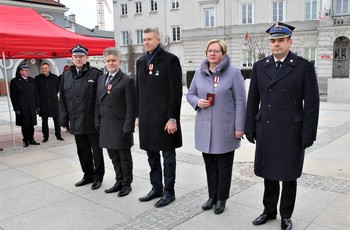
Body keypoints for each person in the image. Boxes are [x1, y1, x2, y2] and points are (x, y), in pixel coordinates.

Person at [245, 22, 320, 230]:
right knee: (268, 173)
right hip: (266, 129)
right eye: (273, 41)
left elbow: (312, 104)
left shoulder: (303, 67)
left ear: (289, 42)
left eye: (280, 41)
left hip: (291, 131)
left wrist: (308, 132)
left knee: (288, 175)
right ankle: (269, 211)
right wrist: (250, 126)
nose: (276, 44)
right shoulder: (260, 67)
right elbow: (253, 100)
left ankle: (286, 214)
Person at [187, 39, 246, 214]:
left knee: (224, 166)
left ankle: (221, 199)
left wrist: (239, 127)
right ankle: (212, 196)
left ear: (223, 53)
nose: (212, 54)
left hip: (225, 129)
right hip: (205, 128)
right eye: (210, 51)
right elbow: (190, 94)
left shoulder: (234, 73)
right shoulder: (199, 73)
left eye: (217, 51)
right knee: (210, 166)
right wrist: (197, 101)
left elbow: (241, 102)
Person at [136, 28, 183, 207]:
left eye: (149, 39)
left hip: (164, 119)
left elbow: (176, 92)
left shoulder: (170, 60)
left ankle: (169, 191)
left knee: (168, 157)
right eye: (144, 39)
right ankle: (156, 187)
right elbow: (138, 90)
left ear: (158, 39)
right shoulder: (141, 62)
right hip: (147, 119)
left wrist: (173, 118)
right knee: (151, 155)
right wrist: (137, 115)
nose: (146, 42)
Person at [59, 44, 105, 190]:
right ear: (72, 58)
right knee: (82, 150)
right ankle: (88, 175)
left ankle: (98, 177)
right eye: (75, 57)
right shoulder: (66, 76)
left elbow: (100, 99)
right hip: (76, 120)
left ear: (86, 58)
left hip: (92, 121)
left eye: (81, 56)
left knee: (96, 151)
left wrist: (99, 119)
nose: (78, 59)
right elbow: (63, 99)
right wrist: (63, 119)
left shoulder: (96, 74)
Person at [95, 47, 136, 197]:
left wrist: (128, 127)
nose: (111, 63)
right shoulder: (101, 79)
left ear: (119, 61)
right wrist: (97, 120)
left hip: (121, 126)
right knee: (113, 156)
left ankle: (127, 184)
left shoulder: (127, 80)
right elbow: (97, 103)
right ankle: (118, 181)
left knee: (124, 157)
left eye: (113, 60)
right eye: (108, 61)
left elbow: (131, 107)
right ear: (104, 62)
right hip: (106, 124)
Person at [10, 64, 41, 147]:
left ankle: (31, 139)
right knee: (24, 125)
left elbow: (36, 94)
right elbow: (13, 96)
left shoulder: (32, 80)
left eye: (28, 70)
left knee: (31, 124)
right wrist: (16, 109)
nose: (28, 71)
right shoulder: (15, 81)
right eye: (25, 70)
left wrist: (37, 106)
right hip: (22, 108)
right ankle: (25, 140)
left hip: (31, 106)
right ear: (20, 71)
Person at [35, 63, 64, 143]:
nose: (44, 70)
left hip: (53, 103)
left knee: (56, 121)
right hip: (43, 104)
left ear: (49, 69)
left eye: (46, 68)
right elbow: (36, 91)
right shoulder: (37, 78)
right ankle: (45, 137)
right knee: (44, 121)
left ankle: (58, 135)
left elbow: (58, 88)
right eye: (43, 68)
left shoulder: (54, 77)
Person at [58, 65, 71, 132]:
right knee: (64, 112)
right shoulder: (60, 77)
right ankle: (65, 125)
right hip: (63, 96)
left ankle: (69, 126)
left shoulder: (71, 76)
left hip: (70, 97)